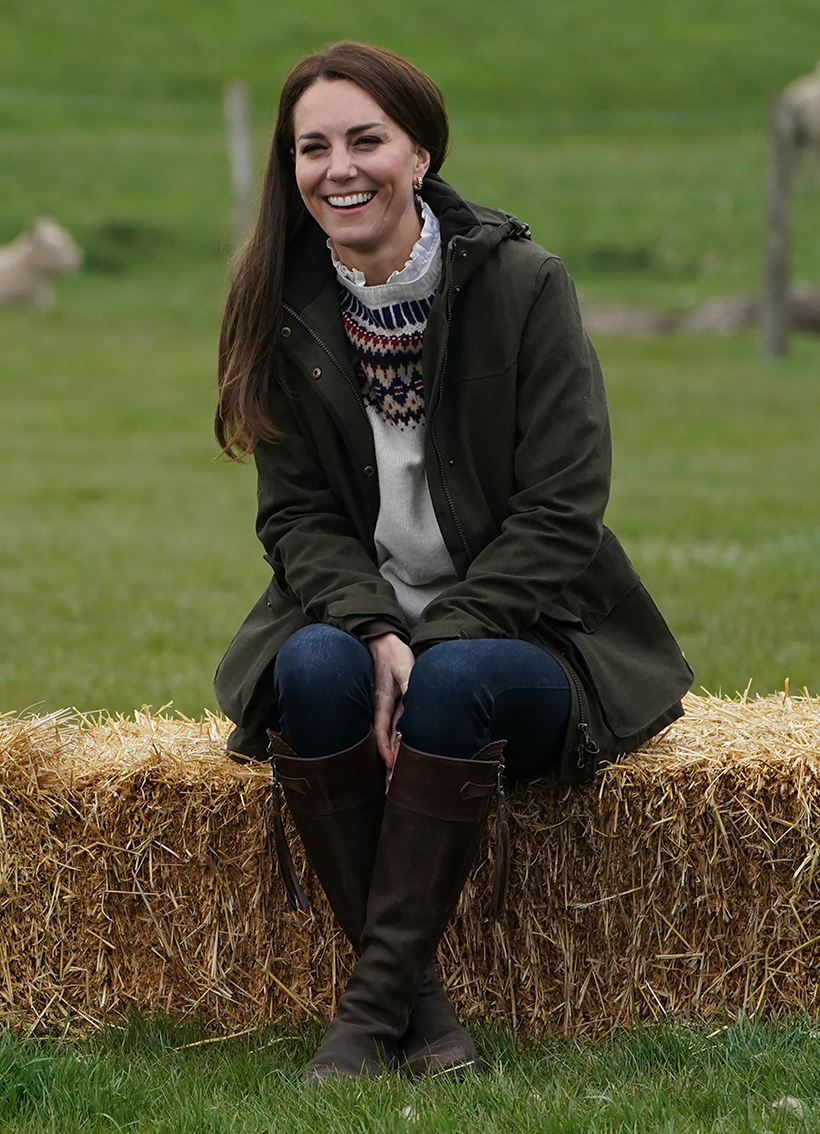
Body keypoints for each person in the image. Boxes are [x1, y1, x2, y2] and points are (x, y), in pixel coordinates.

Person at [213, 41, 693, 1084]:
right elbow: (295, 519)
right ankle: (420, 1017)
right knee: (309, 673)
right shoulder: (285, 306)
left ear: (419, 152)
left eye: (365, 140)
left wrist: (432, 640)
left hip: (528, 635)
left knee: (459, 684)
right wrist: (378, 631)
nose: (338, 168)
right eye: (311, 147)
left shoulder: (524, 285)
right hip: (359, 623)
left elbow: (562, 510)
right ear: (290, 171)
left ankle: (363, 1020)